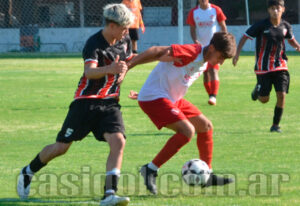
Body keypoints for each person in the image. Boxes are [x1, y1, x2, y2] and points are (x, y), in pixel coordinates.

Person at [17, 4, 134, 206]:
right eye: (124, 27)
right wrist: (111, 69)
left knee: (118, 141)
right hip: (86, 103)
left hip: (110, 102)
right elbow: (89, 72)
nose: (127, 31)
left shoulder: (125, 40)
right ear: (112, 25)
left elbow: (126, 62)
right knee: (61, 147)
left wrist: (122, 71)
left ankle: (109, 194)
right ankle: (28, 171)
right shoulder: (94, 44)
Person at [127, 32, 237, 194]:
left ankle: (208, 176)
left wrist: (144, 91)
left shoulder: (205, 61)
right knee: (187, 131)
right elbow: (156, 50)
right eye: (221, 57)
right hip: (155, 97)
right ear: (212, 48)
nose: (221, 62)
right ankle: (150, 169)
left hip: (168, 97)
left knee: (205, 126)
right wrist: (129, 65)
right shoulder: (192, 52)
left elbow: (170, 73)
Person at [232, 0, 300, 133]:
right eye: (272, 8)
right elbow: (245, 37)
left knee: (281, 95)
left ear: (283, 10)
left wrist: (298, 46)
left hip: (280, 65)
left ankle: (275, 125)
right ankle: (257, 91)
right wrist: (236, 54)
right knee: (264, 99)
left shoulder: (286, 26)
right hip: (263, 67)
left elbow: (291, 40)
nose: (275, 11)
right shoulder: (261, 25)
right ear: (268, 10)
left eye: (278, 8)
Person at [186, 0, 227, 105]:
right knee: (205, 73)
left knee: (213, 71)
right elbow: (192, 29)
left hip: (215, 46)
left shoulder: (216, 10)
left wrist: (224, 41)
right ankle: (210, 95)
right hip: (203, 48)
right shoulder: (194, 12)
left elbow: (223, 26)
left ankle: (213, 96)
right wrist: (195, 40)